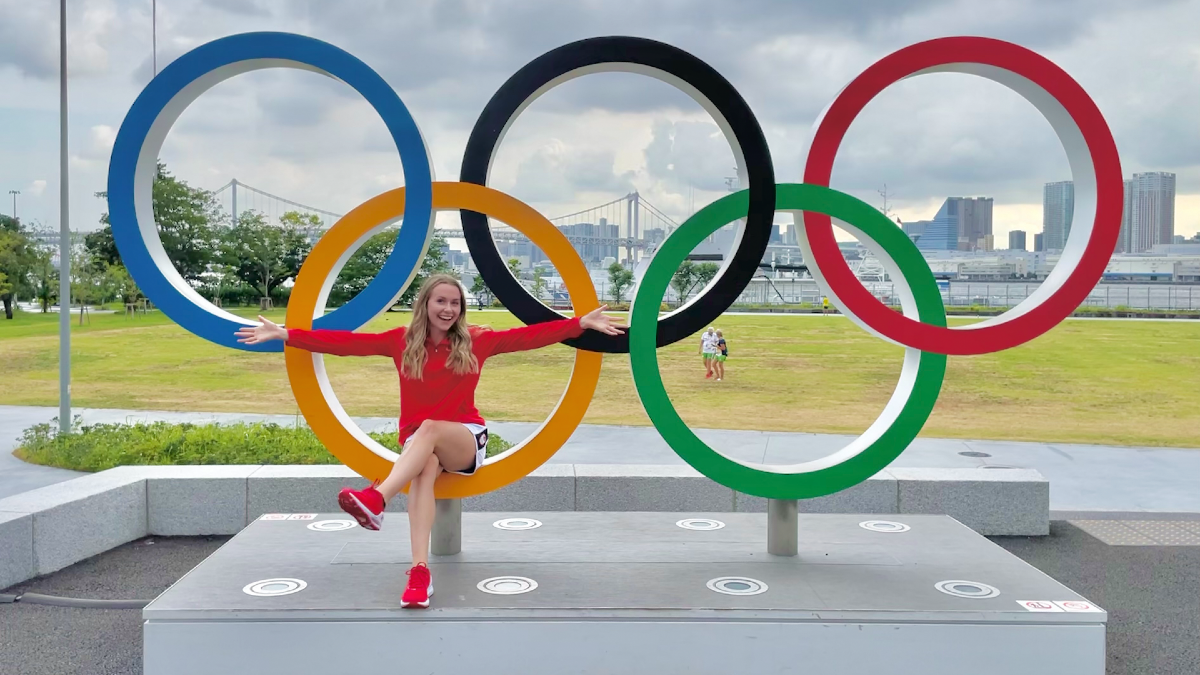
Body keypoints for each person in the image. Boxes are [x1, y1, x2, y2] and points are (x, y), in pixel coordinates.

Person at [234, 274, 624, 609]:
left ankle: (378, 498)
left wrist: (578, 324)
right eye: (441, 301)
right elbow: (343, 343)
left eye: (455, 303)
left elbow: (529, 337)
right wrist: (285, 334)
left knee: (431, 428)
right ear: (426, 303)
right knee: (423, 473)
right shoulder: (400, 341)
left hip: (464, 440)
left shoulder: (476, 340)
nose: (449, 309)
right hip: (420, 445)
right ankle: (419, 574)